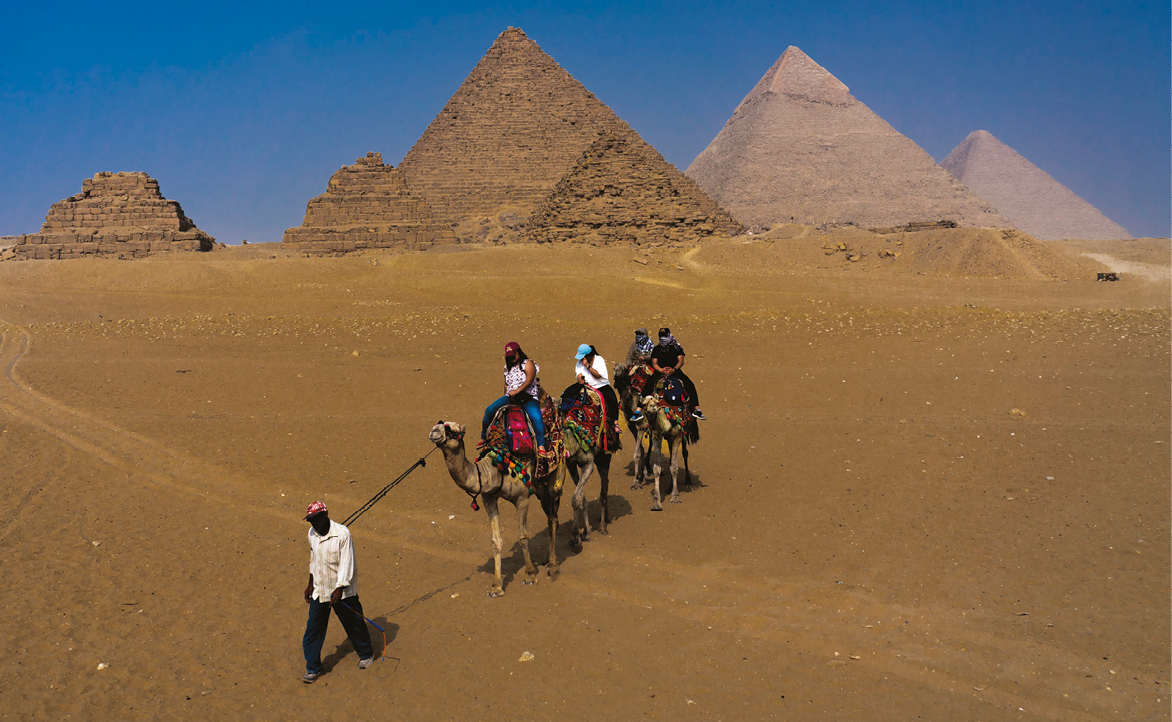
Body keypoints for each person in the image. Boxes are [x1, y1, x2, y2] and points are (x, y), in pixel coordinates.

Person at [301, 501, 374, 684]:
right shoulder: (312, 534)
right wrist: (310, 584)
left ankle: (366, 653)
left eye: (316, 519)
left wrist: (340, 588)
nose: (314, 524)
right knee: (313, 629)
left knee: (353, 623)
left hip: (342, 589)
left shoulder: (342, 534)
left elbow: (347, 563)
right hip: (320, 588)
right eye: (310, 520)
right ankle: (313, 668)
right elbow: (313, 559)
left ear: (325, 515)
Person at [481, 341, 547, 455]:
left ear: (518, 352)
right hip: (511, 397)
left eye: (513, 355)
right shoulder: (507, 368)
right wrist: (508, 394)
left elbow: (529, 380)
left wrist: (517, 391)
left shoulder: (528, 363)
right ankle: (483, 437)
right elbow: (506, 384)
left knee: (536, 417)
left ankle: (541, 445)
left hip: (528, 397)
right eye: (509, 356)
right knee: (490, 410)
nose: (512, 358)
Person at [647, 327, 705, 419]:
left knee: (689, 384)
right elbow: (654, 363)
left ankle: (696, 409)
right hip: (660, 372)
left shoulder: (676, 347)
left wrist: (673, 369)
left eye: (665, 336)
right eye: (661, 336)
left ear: (669, 336)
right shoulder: (657, 349)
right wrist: (661, 370)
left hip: (675, 372)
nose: (663, 339)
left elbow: (680, 361)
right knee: (649, 383)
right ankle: (638, 410)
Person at [574, 343, 621, 447]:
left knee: (612, 399)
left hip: (601, 385)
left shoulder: (599, 360)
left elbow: (598, 375)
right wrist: (580, 379)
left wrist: (587, 366)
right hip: (586, 386)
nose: (582, 359)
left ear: (589, 356)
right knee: (571, 397)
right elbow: (579, 375)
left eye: (584, 357)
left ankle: (615, 423)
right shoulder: (579, 362)